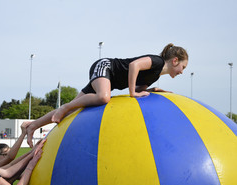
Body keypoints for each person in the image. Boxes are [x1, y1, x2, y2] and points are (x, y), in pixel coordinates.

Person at [25, 43, 188, 148]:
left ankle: (31, 126)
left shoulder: (155, 76)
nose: (182, 71)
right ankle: (64, 107)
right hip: (105, 67)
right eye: (183, 67)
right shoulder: (157, 61)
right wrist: (132, 92)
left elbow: (140, 89)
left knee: (73, 111)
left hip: (107, 79)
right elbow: (134, 65)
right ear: (175, 61)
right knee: (104, 97)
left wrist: (154, 91)